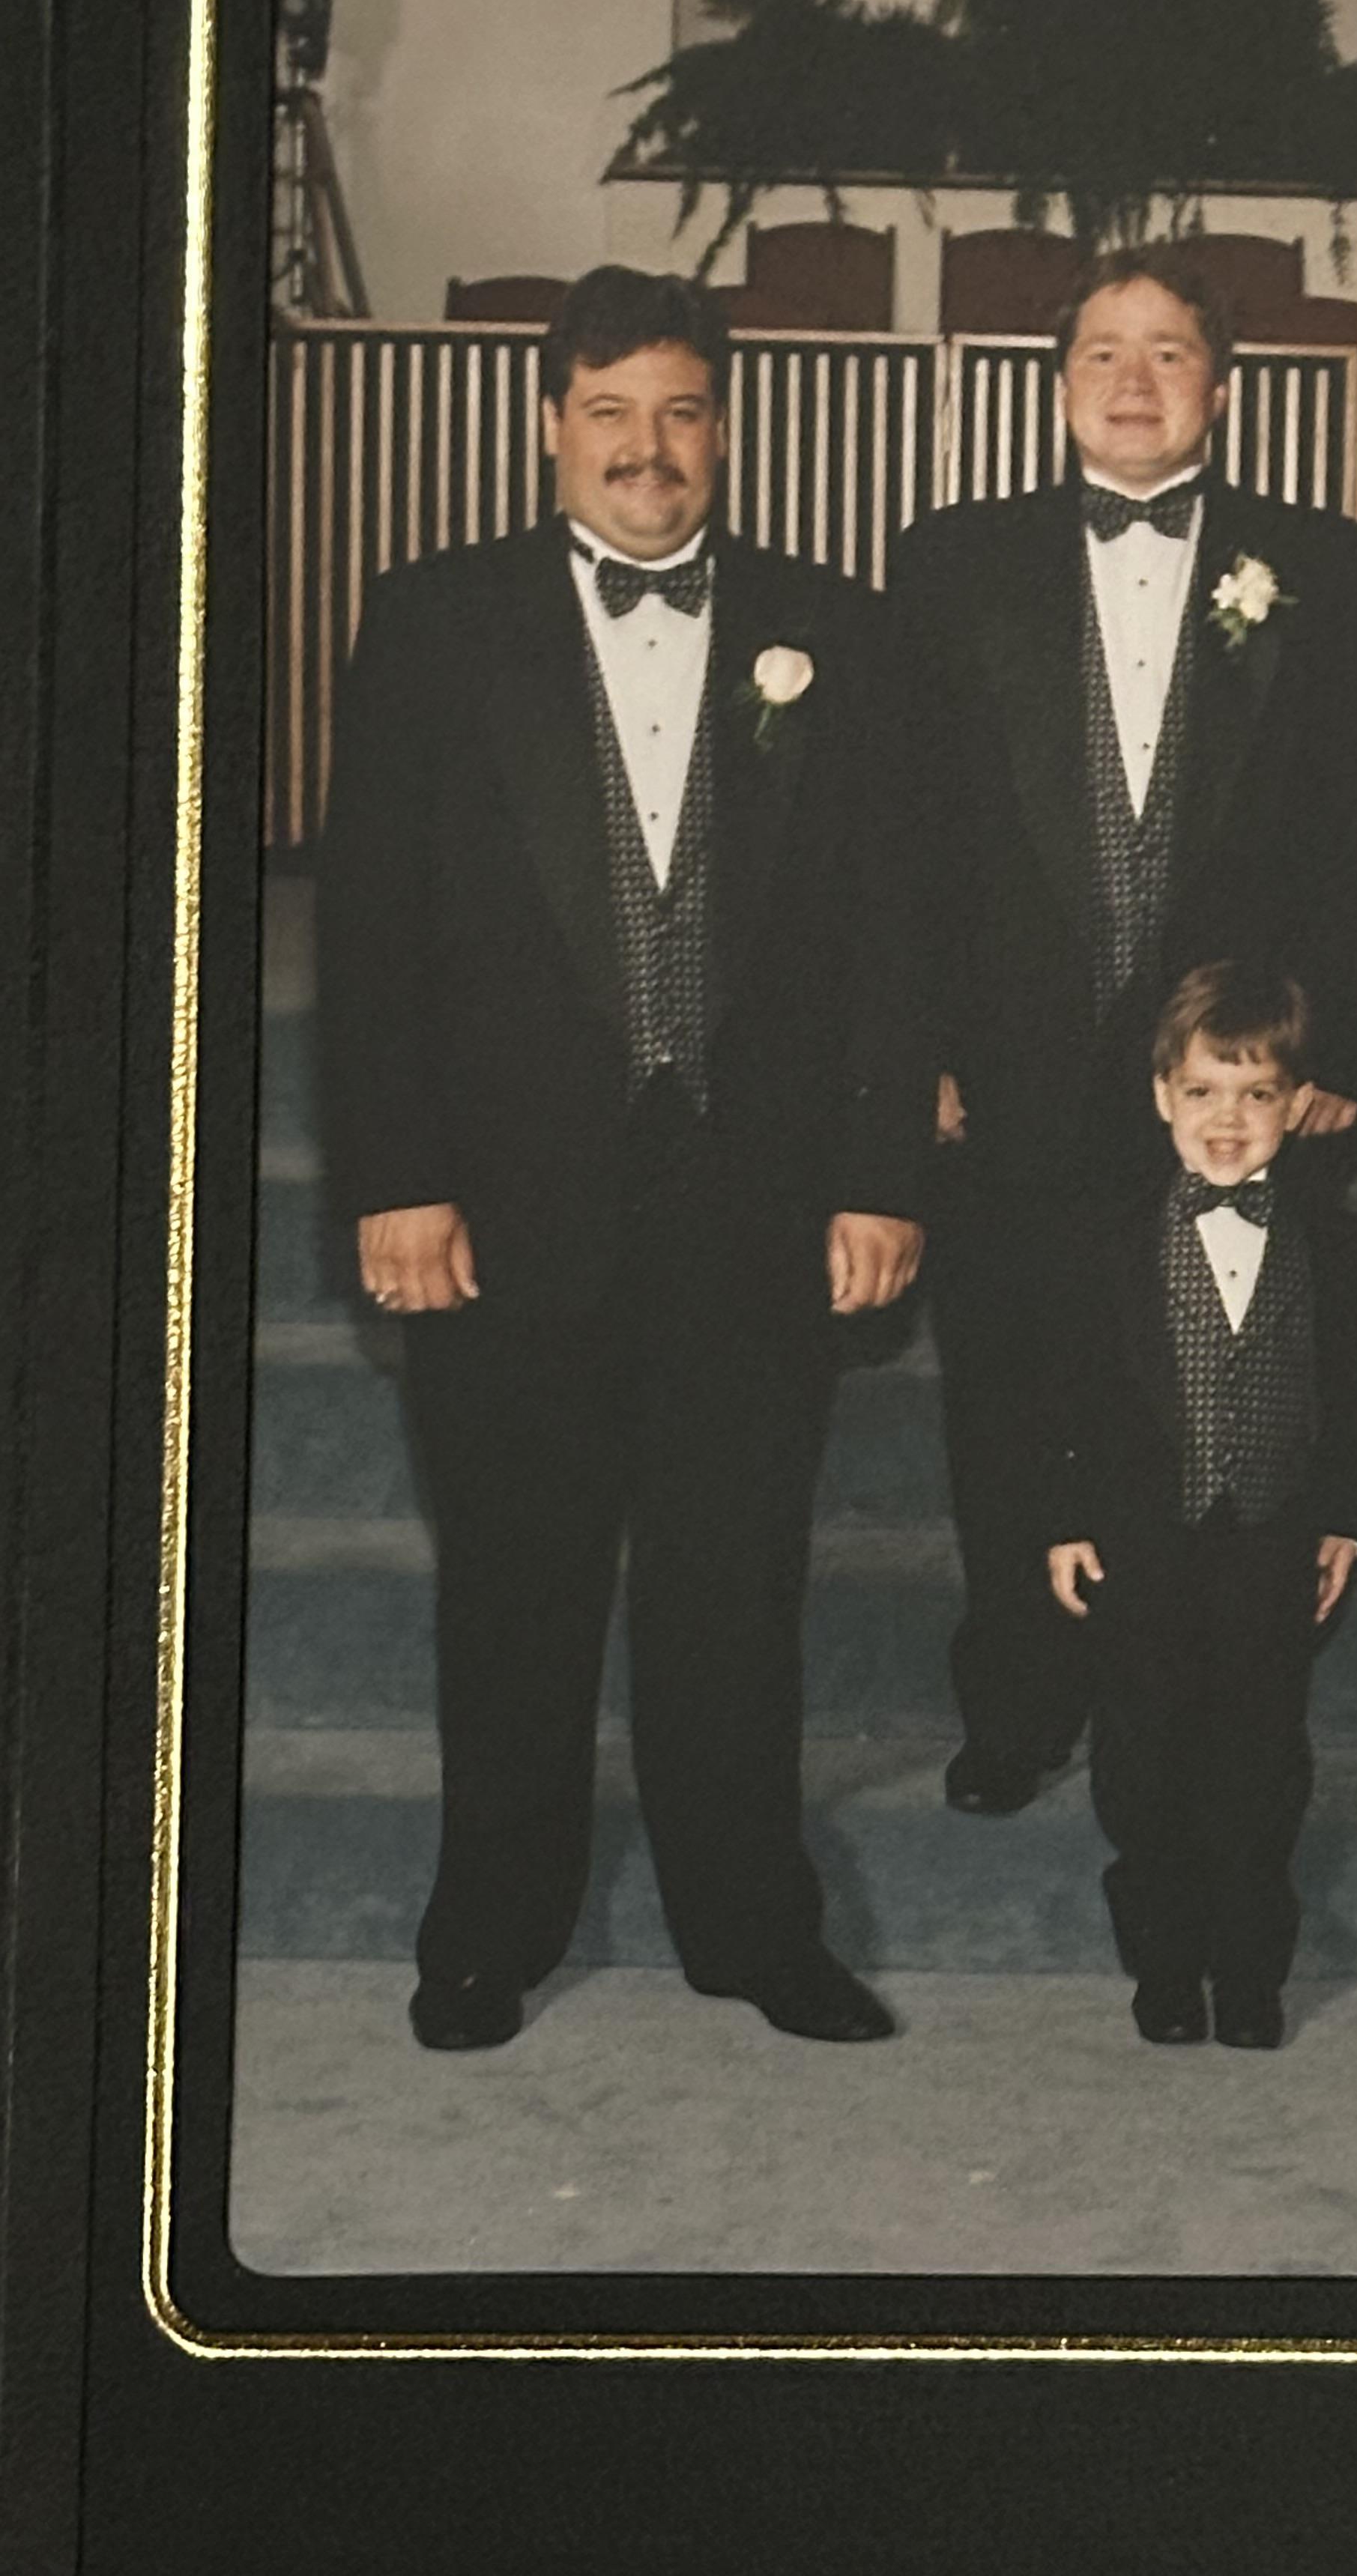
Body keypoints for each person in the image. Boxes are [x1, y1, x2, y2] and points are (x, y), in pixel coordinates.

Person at [318, 264, 928, 2052]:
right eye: (609, 414)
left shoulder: (839, 628)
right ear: (548, 427)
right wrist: (394, 1179)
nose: (646, 451)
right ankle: (487, 1930)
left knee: (736, 1589)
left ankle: (751, 1930)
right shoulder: (435, 622)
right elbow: (370, 932)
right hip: (503, 1208)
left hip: (754, 1205)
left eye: (679, 411)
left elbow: (892, 935)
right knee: (514, 1586)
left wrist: (881, 1173)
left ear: (722, 427)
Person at [892, 244, 1357, 1817]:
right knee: (1015, 1388)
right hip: (1017, 1075)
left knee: (1225, 1392)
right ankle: (1022, 1696)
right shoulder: (950, 561)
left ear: (1223, 390)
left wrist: (1342, 1057)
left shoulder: (1321, 562)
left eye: (1168, 352)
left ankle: (1210, 1697)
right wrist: (917, 1047)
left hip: (1233, 1085)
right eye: (1103, 351)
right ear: (1058, 387)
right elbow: (900, 837)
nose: (1133, 381)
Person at [1042, 963, 1357, 2049]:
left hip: (1271, 1536)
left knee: (1262, 1761)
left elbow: (1348, 1390)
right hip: (1143, 1537)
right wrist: (1063, 1517)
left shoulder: (1328, 1234)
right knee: (1142, 1762)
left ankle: (1250, 1968)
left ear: (1297, 1103)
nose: (1227, 1122)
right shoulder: (1104, 1234)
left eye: (1256, 1095)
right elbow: (1066, 1391)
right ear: (1160, 1098)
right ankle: (1163, 1961)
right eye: (1203, 1094)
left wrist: (1344, 1516)